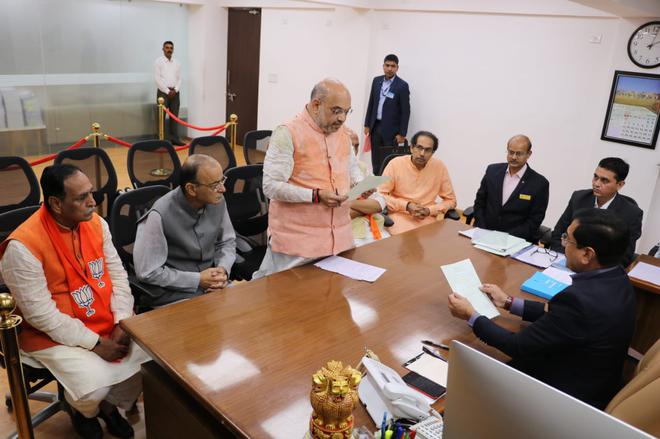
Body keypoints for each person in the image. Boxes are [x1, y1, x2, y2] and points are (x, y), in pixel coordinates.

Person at [0, 165, 149, 439]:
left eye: (91, 192)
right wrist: (96, 344)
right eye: (82, 197)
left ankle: (105, 407)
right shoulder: (21, 247)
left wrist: (121, 321)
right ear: (56, 203)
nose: (93, 201)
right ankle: (86, 410)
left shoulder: (96, 223)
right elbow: (41, 316)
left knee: (153, 360)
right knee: (94, 385)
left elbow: (117, 276)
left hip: (104, 317)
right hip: (51, 335)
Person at [448, 208, 635, 409]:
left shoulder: (580, 301)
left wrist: (471, 315)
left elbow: (517, 346)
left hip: (562, 396)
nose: (563, 245)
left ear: (587, 254)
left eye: (568, 240)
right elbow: (562, 318)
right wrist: (508, 302)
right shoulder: (618, 278)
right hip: (599, 382)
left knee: (463, 371)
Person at [253, 78, 366, 278]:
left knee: (333, 304)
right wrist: (315, 195)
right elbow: (271, 186)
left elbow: (352, 168)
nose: (342, 118)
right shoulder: (288, 132)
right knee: (287, 304)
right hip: (298, 246)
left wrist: (360, 183)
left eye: (347, 112)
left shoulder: (344, 135)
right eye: (337, 110)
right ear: (316, 105)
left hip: (339, 239)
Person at [133, 154, 236, 307]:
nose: (223, 189)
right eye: (215, 184)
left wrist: (222, 270)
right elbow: (148, 271)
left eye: (222, 180)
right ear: (192, 189)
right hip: (174, 293)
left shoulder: (217, 200)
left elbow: (227, 241)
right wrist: (197, 280)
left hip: (214, 285)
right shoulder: (159, 214)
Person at [549, 157, 643, 267]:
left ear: (620, 184)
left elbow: (623, 257)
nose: (596, 184)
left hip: (598, 272)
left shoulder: (631, 214)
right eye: (595, 177)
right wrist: (564, 260)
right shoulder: (579, 198)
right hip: (566, 262)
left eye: (604, 180)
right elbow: (558, 234)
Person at [472, 134, 549, 243]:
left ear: (529, 154)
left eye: (519, 154)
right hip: (484, 236)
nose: (513, 157)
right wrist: (482, 230)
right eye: (511, 152)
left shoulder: (539, 183)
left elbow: (534, 220)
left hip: (515, 241)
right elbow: (479, 203)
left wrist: (505, 238)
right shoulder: (492, 171)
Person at [378, 130, 456, 235]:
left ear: (432, 153)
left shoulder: (439, 167)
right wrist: (406, 205)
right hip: (400, 216)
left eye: (428, 150)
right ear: (411, 148)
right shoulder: (395, 164)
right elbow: (379, 195)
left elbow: (451, 201)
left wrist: (430, 210)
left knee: (435, 246)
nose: (422, 154)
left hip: (427, 219)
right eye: (419, 148)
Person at [363, 54, 411, 175]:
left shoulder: (402, 86)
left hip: (392, 132)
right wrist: (367, 124)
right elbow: (371, 102)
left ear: (397, 68)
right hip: (375, 127)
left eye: (393, 66)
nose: (389, 68)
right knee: (375, 160)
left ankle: (386, 187)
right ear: (383, 66)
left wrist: (402, 133)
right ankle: (375, 185)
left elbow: (406, 111)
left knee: (389, 161)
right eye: (387, 65)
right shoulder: (376, 81)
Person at [154, 40, 184, 145]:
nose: (169, 50)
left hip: (175, 92)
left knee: (174, 117)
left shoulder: (177, 63)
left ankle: (175, 139)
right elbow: (157, 79)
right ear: (163, 49)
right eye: (167, 48)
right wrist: (167, 91)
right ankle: (162, 141)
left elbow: (180, 78)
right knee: (161, 117)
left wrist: (175, 90)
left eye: (171, 48)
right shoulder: (158, 61)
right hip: (163, 93)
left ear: (173, 50)